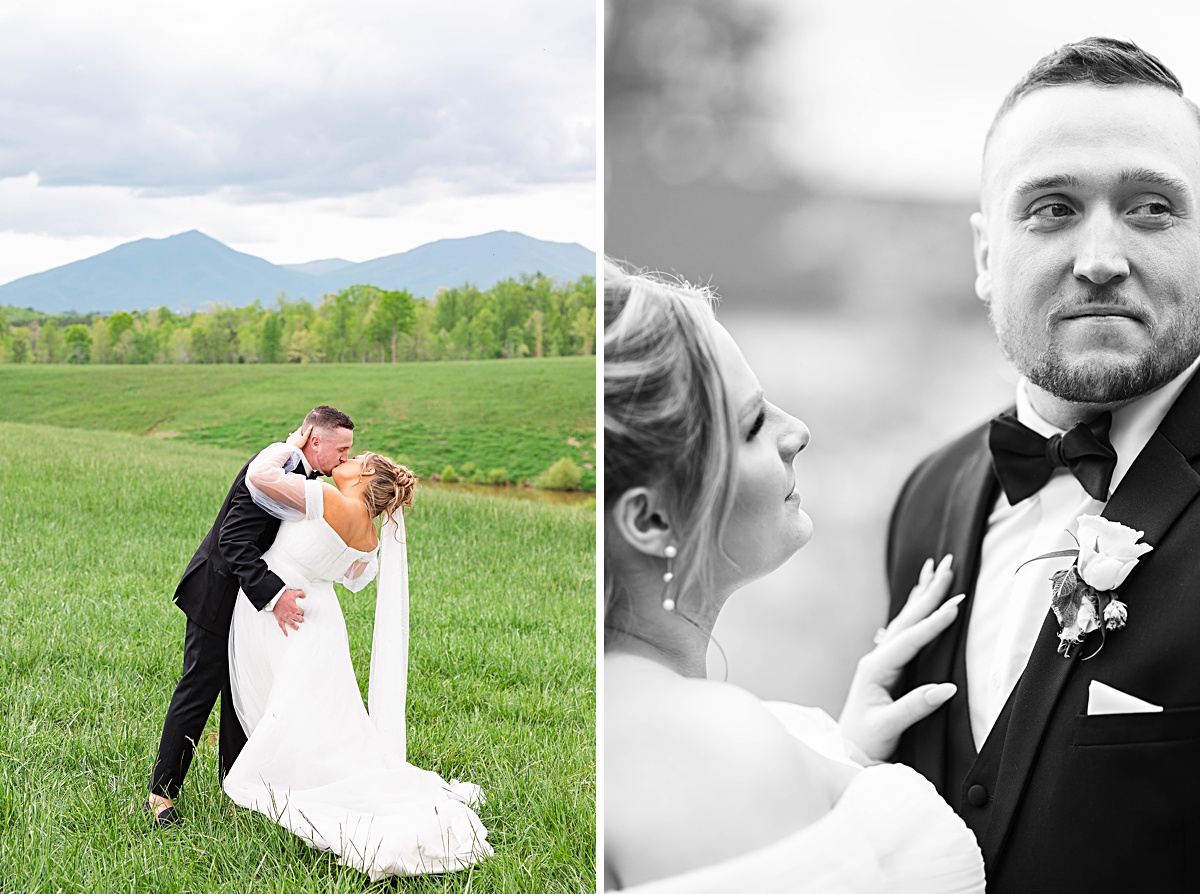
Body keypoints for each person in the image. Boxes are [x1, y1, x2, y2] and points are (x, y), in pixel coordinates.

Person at [887, 37, 1200, 893]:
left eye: (1151, 208)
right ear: (988, 257)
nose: (1100, 259)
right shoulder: (928, 497)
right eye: (1054, 209)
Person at [603, 260, 985, 892]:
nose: (796, 432)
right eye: (753, 424)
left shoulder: (663, 728)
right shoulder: (705, 750)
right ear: (649, 517)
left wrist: (842, 755)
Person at [222, 427, 492, 878]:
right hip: (322, 619)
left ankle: (280, 779)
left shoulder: (330, 499)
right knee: (328, 715)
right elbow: (354, 578)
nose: (346, 458)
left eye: (355, 456)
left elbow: (261, 477)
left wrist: (292, 444)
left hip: (287, 612)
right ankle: (315, 773)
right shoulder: (369, 536)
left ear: (365, 474)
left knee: (290, 707)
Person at [144, 405, 355, 827]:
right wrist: (274, 595)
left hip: (245, 606)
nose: (346, 458)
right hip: (216, 594)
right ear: (315, 441)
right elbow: (234, 540)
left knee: (240, 693)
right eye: (342, 449)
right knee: (198, 691)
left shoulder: (301, 474)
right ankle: (160, 796)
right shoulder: (274, 468)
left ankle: (235, 787)